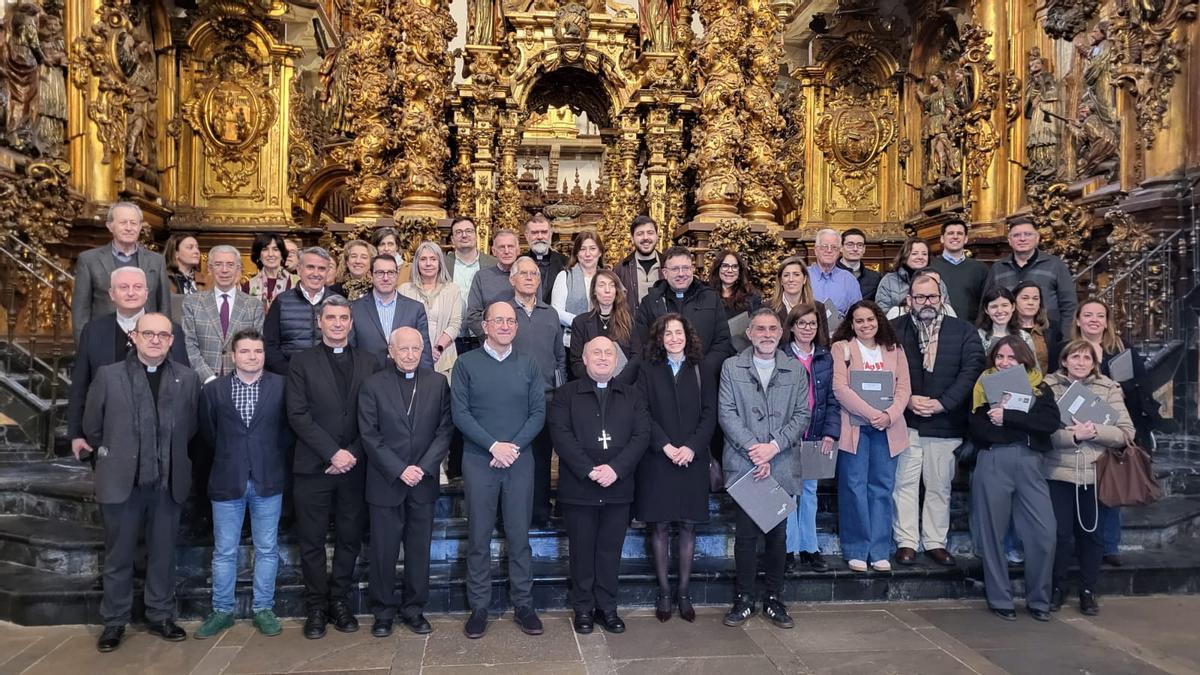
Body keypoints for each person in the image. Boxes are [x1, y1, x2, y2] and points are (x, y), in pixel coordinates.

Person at [81, 313, 201, 652]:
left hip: (167, 482)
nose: (155, 340)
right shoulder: (109, 376)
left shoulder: (187, 379)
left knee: (163, 554)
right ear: (133, 337)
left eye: (163, 335)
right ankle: (115, 621)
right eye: (148, 334)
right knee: (118, 556)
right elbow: (93, 425)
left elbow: (190, 428)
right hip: (121, 481)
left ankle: (161, 614)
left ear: (172, 341)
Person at [286, 295, 380, 639]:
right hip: (313, 466)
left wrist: (351, 453)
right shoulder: (301, 362)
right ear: (319, 322)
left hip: (355, 466)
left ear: (351, 323)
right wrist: (332, 453)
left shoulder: (370, 362)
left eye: (343, 317)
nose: (338, 323)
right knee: (310, 541)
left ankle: (339, 600)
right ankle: (316, 606)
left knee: (349, 537)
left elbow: (374, 416)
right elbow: (297, 414)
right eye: (331, 317)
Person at [452, 302, 547, 639]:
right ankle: (479, 606)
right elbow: (460, 414)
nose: (505, 325)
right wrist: (494, 446)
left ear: (516, 328)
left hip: (519, 462)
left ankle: (523, 604)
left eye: (511, 321)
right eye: (499, 320)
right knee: (478, 537)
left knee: (519, 536)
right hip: (480, 461)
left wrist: (513, 447)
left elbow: (538, 413)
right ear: (485, 326)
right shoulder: (465, 364)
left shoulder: (529, 364)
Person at [193, 329, 292, 640]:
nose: (253, 357)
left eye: (258, 351)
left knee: (267, 548)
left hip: (268, 478)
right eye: (246, 351)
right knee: (224, 551)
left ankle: (263, 607)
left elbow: (287, 432)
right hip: (226, 479)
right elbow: (208, 434)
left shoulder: (282, 387)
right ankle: (222, 610)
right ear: (232, 355)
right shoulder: (214, 391)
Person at [549, 336, 650, 635]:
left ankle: (607, 607)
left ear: (616, 360)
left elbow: (641, 434)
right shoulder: (566, 394)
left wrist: (616, 469)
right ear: (585, 358)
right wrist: (589, 470)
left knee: (610, 550)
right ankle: (582, 608)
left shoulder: (632, 395)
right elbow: (560, 434)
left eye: (609, 353)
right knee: (581, 551)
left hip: (617, 488)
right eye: (597, 353)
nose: (604, 357)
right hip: (580, 488)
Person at [719, 309, 811, 629]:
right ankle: (744, 598)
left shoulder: (795, 370)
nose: (767, 334)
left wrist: (773, 447)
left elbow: (802, 415)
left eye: (773, 328)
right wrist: (754, 450)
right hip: (746, 462)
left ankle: (774, 598)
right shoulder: (732, 367)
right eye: (760, 329)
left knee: (777, 536)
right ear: (750, 333)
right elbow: (727, 413)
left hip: (780, 463)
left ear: (780, 333)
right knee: (745, 536)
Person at [359, 327, 453, 637]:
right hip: (386, 481)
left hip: (422, 482)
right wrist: (400, 469)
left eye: (415, 349)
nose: (410, 355)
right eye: (403, 349)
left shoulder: (437, 383)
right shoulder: (372, 385)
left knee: (418, 550)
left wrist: (423, 467)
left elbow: (444, 431)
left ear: (423, 349)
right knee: (384, 552)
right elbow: (369, 435)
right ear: (391, 351)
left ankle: (414, 609)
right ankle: (383, 612)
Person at [889, 271, 985, 566]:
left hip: (945, 422)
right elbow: (884, 370)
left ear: (941, 298)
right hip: (906, 421)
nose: (926, 302)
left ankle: (934, 541)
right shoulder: (893, 329)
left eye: (932, 296)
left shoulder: (964, 331)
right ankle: (906, 541)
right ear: (909, 300)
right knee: (903, 485)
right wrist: (907, 400)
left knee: (939, 486)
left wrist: (943, 404)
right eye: (920, 297)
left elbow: (972, 370)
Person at [1060, 298, 1165, 566]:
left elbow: (1141, 386)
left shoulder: (1121, 349)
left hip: (1112, 427)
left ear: (1106, 321)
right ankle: (1078, 544)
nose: (1094, 319)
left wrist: (1118, 389)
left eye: (1100, 315)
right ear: (1079, 320)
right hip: (1076, 429)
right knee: (1077, 495)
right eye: (1088, 315)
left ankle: (1109, 544)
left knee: (1110, 488)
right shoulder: (1065, 348)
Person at [967, 336, 1059, 621]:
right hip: (993, 460)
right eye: (1000, 357)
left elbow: (1048, 425)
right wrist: (1020, 425)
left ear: (1024, 360)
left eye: (1012, 358)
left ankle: (1039, 600)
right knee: (991, 533)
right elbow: (980, 429)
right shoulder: (984, 386)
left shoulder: (1041, 389)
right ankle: (999, 598)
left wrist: (1008, 417)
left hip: (1030, 463)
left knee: (1044, 533)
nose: (1005, 363)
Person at [1043, 339, 1135, 617]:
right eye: (1075, 357)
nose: (1081, 362)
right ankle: (1057, 588)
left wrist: (1095, 430)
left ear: (1094, 364)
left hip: (1095, 472)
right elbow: (1041, 431)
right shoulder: (1048, 387)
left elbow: (1126, 433)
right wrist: (1072, 436)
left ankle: (1087, 590)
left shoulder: (1108, 388)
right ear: (1064, 360)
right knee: (1059, 535)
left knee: (1091, 535)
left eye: (1087, 358)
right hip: (1058, 470)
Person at [635, 314, 717, 623]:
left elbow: (710, 413)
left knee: (687, 525)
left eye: (678, 332)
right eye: (667, 333)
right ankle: (664, 592)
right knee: (658, 526)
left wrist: (691, 447)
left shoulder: (701, 368)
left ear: (688, 335)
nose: (673, 338)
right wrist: (666, 446)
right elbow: (641, 411)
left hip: (692, 458)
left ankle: (684, 592)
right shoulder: (647, 369)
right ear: (659, 338)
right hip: (658, 458)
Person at [69, 268, 188, 462]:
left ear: (147, 293)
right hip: (108, 439)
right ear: (111, 294)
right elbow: (80, 384)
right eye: (123, 287)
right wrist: (77, 433)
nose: (131, 292)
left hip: (160, 442)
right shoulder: (93, 331)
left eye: (137, 287)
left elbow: (183, 383)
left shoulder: (171, 329)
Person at [831, 300, 912, 572]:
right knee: (853, 487)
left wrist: (888, 415)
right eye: (859, 321)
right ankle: (856, 548)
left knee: (881, 488)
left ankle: (879, 551)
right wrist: (870, 414)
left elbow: (904, 388)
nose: (865, 325)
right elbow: (840, 389)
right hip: (855, 426)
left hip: (888, 428)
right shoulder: (841, 349)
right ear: (851, 324)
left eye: (870, 319)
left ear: (879, 320)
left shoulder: (894, 349)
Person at [782, 303, 840, 573]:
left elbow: (831, 398)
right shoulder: (782, 356)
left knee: (810, 493)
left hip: (815, 434)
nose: (807, 328)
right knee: (787, 494)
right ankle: (788, 549)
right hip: (788, 438)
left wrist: (830, 432)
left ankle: (809, 547)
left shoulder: (825, 357)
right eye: (802, 323)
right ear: (792, 326)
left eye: (812, 324)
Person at [509, 257, 566, 526]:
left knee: (542, 460)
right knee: (515, 460)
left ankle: (540, 514)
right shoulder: (504, 312)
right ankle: (512, 515)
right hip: (512, 400)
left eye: (534, 273)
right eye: (524, 273)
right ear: (512, 279)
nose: (530, 277)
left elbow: (559, 357)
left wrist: (560, 390)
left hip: (546, 398)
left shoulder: (550, 314)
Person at [72, 201, 171, 342]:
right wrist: (84, 347)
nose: (129, 228)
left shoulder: (156, 261)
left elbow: (164, 307)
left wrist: (162, 340)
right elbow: (80, 311)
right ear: (110, 226)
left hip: (147, 342)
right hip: (103, 340)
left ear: (140, 226)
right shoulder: (89, 260)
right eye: (123, 223)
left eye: (133, 223)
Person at [636, 245, 734, 376]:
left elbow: (722, 340)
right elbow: (643, 343)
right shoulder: (650, 302)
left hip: (704, 377)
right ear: (665, 273)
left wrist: (705, 367)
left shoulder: (711, 298)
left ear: (692, 269)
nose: (681, 274)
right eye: (675, 269)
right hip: (663, 376)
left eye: (686, 268)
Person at [182, 245, 265, 384]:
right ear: (209, 268)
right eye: (218, 264)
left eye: (230, 265)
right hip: (202, 383)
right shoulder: (192, 303)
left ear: (239, 269)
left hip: (242, 382)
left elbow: (255, 347)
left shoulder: (254, 305)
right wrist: (208, 378)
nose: (224, 270)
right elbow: (189, 344)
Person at [983, 221, 1078, 337]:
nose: (1022, 239)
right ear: (1009, 240)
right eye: (1016, 235)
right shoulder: (998, 268)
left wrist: (1066, 337)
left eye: (1028, 234)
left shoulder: (1055, 265)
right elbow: (987, 303)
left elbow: (1069, 305)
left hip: (1048, 336)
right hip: (1007, 336)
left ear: (1037, 238)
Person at [350, 254, 434, 369]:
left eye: (391, 273)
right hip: (367, 380)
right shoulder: (355, 309)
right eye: (380, 273)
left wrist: (427, 384)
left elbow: (424, 353)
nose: (386, 278)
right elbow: (350, 351)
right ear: (370, 275)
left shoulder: (415, 309)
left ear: (397, 274)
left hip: (405, 379)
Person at [263, 246, 333, 375]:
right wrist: (290, 371)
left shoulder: (337, 302)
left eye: (322, 269)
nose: (316, 273)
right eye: (310, 267)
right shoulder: (282, 302)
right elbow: (269, 345)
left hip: (329, 379)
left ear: (328, 272)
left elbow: (348, 344)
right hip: (289, 378)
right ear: (299, 270)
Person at [400, 241, 463, 376]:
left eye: (433, 259)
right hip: (410, 358)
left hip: (443, 357)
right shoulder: (404, 290)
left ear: (440, 263)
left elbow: (455, 324)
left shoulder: (452, 290)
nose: (428, 264)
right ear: (416, 263)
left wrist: (437, 348)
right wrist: (419, 351)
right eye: (423, 259)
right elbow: (400, 325)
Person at [568, 269, 639, 382]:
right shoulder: (580, 322)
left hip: (622, 386)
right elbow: (576, 362)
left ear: (616, 291)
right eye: (602, 285)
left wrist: (618, 383)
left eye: (611, 286)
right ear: (594, 291)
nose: (607, 290)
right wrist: (595, 380)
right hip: (589, 388)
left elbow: (636, 358)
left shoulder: (628, 321)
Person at [446, 217, 497, 354]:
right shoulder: (443, 265)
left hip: (484, 338)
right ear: (452, 239)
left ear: (476, 235)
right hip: (451, 340)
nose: (464, 235)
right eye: (459, 232)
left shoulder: (492, 264)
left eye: (469, 231)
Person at [551, 231, 604, 347]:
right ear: (576, 253)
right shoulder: (565, 276)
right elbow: (556, 311)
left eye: (592, 249)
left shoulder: (608, 277)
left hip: (603, 341)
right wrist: (580, 322)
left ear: (600, 252)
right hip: (571, 342)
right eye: (583, 249)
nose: (588, 254)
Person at [465, 228, 521, 337]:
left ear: (518, 250)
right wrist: (493, 338)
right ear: (494, 251)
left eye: (510, 246)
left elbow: (534, 312)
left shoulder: (529, 275)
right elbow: (473, 316)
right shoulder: (481, 277)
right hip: (490, 342)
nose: (506, 251)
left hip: (522, 341)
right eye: (501, 247)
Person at [929, 220, 989, 322]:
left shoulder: (980, 269)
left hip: (971, 329)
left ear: (965, 239)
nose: (955, 237)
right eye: (950, 233)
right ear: (942, 239)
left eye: (960, 233)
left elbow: (985, 303)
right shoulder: (930, 267)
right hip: (937, 327)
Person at [875, 237, 952, 316]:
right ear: (904, 257)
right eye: (914, 253)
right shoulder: (888, 281)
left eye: (924, 254)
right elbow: (882, 312)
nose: (920, 257)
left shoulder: (936, 280)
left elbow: (946, 309)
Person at [977, 287, 1038, 368]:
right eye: (994, 306)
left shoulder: (1024, 337)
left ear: (1013, 307)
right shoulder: (978, 336)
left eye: (1004, 305)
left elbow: (1035, 369)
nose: (1000, 310)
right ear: (986, 310)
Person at [614, 214, 663, 313]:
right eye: (640, 234)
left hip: (664, 326)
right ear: (632, 238)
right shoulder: (622, 269)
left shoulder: (668, 265)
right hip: (633, 326)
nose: (645, 238)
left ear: (657, 236)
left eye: (650, 233)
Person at [808, 228, 862, 315]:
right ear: (816, 250)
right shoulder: (803, 276)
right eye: (824, 246)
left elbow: (857, 313)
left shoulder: (848, 280)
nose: (829, 250)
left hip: (840, 327)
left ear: (839, 251)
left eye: (834, 247)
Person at [242, 233, 296, 311]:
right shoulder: (248, 286)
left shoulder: (297, 283)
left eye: (275, 249)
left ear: (282, 255)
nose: (270, 254)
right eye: (265, 249)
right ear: (259, 256)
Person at [523, 212, 567, 302]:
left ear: (550, 234)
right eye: (535, 233)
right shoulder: (517, 262)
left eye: (544, 232)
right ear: (527, 236)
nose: (540, 237)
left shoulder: (566, 263)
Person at [709, 249, 763, 317]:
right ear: (717, 269)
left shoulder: (752, 297)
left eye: (734, 267)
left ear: (739, 271)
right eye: (725, 266)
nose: (730, 270)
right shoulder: (705, 295)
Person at [1014, 281, 1054, 372]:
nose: (1031, 303)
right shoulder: (1007, 329)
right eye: (1025, 298)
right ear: (1014, 302)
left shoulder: (1052, 330)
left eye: (1035, 298)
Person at [837, 228, 881, 301]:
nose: (855, 249)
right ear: (841, 248)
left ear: (864, 249)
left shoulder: (875, 278)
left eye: (859, 245)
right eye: (850, 244)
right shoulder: (829, 274)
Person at [770, 256, 815, 323]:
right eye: (786, 275)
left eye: (796, 275)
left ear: (804, 279)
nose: (791, 279)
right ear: (781, 281)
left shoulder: (818, 308)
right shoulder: (768, 308)